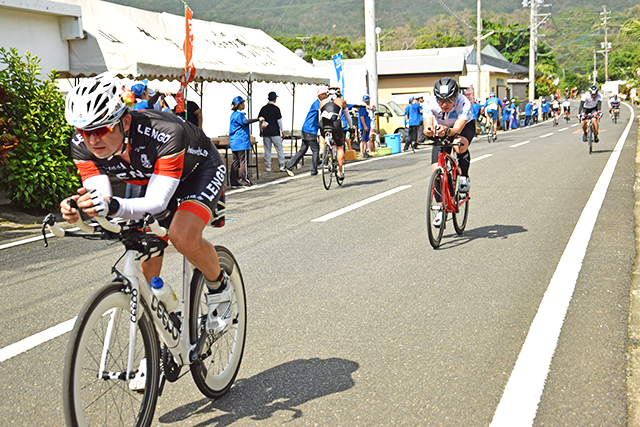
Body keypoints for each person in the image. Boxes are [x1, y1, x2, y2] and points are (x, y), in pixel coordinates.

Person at [61, 73, 230, 333]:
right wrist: (81, 207)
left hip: (198, 172)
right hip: (154, 179)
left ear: (124, 121)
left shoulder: (163, 132)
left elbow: (157, 201)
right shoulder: (82, 146)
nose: (93, 140)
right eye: (85, 132)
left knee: (181, 235)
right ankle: (166, 319)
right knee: (144, 246)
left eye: (101, 129)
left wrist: (114, 206)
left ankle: (220, 289)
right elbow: (101, 196)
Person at [423, 77, 474, 227]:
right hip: (442, 130)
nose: (444, 104)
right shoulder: (429, 102)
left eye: (449, 100)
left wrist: (447, 131)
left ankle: (464, 176)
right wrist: (429, 130)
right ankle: (440, 208)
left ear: (456, 96)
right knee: (435, 169)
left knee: (459, 146)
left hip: (462, 126)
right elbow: (427, 125)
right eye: (440, 100)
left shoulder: (463, 102)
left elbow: (457, 129)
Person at [285, 87, 328, 176]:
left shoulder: (317, 103)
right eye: (325, 95)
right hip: (310, 129)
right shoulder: (318, 104)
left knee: (303, 150)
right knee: (315, 150)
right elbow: (322, 114)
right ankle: (314, 170)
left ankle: (289, 166)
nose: (326, 97)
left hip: (306, 129)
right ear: (320, 95)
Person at [229, 96, 264, 187]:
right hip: (241, 142)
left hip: (234, 142)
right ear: (238, 105)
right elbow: (245, 122)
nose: (244, 104)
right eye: (242, 103)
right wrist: (257, 119)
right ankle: (245, 181)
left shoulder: (233, 114)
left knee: (235, 163)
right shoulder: (239, 115)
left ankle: (234, 181)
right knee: (243, 162)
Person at [319, 87, 352, 178]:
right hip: (335, 123)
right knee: (340, 147)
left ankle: (322, 148)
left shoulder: (322, 102)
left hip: (323, 123)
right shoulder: (341, 101)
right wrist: (351, 127)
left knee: (322, 133)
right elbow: (348, 117)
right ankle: (340, 171)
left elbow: (320, 116)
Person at [258, 91, 286, 172]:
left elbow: (260, 121)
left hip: (266, 132)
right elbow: (279, 121)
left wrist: (261, 130)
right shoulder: (276, 109)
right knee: (279, 149)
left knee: (267, 150)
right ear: (275, 99)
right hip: (275, 132)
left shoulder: (263, 109)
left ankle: (268, 166)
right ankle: (281, 165)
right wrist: (282, 131)